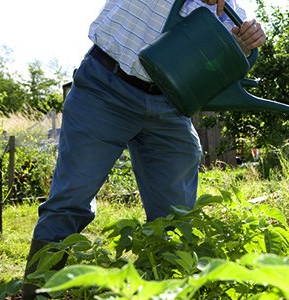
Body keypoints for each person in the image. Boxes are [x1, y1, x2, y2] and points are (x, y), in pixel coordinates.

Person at [21, 0, 266, 298]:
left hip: (170, 106)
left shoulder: (231, 13)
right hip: (105, 87)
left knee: (175, 219)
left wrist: (242, 42)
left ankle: (162, 291)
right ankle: (37, 294)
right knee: (68, 202)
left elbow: (214, 65)